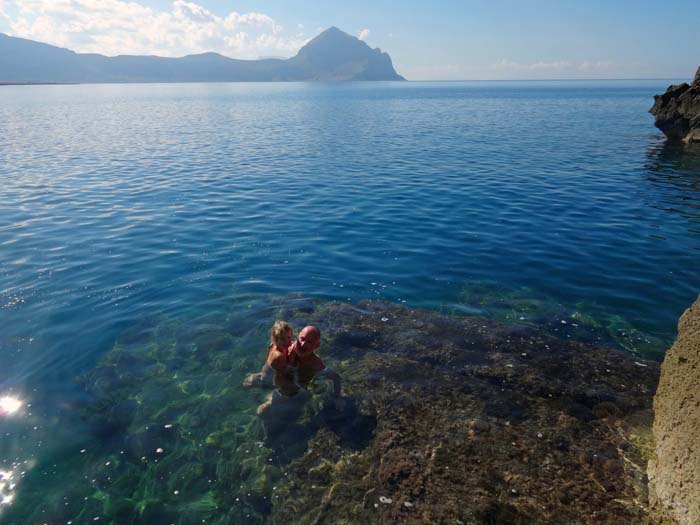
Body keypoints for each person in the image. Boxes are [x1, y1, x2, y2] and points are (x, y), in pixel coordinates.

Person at [242, 320, 294, 388]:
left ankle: (252, 379)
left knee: (260, 377)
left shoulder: (272, 345)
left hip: (265, 372)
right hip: (269, 380)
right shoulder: (279, 356)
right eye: (283, 339)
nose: (287, 341)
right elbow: (282, 375)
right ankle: (251, 382)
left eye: (289, 337)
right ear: (275, 339)